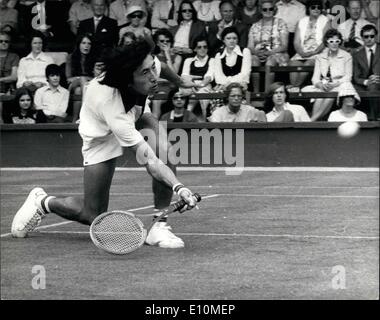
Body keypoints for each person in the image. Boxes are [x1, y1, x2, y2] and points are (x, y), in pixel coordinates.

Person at [11, 39, 199, 249]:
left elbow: (159, 65)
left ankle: (159, 226)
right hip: (100, 133)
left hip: (134, 112)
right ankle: (42, 202)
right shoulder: (110, 104)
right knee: (92, 214)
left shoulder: (142, 64)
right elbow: (151, 162)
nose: (154, 78)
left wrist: (180, 81)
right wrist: (179, 188)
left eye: (150, 69)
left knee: (165, 149)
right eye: (145, 73)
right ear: (129, 80)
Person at [302, 29, 354, 121]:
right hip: (324, 85)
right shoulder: (320, 57)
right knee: (320, 96)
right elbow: (315, 78)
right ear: (326, 42)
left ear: (340, 42)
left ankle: (311, 121)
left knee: (330, 95)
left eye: (337, 41)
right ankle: (313, 122)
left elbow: (348, 77)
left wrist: (334, 84)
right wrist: (320, 85)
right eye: (331, 41)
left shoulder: (347, 56)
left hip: (340, 85)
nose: (334, 43)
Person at [247, 0, 289, 92]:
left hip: (277, 53)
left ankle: (267, 93)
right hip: (259, 54)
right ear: (260, 10)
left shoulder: (281, 23)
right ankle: (256, 93)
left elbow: (284, 46)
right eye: (264, 9)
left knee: (270, 61)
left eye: (270, 9)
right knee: (253, 60)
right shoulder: (255, 26)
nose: (268, 11)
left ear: (274, 10)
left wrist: (270, 53)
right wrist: (257, 53)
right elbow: (250, 47)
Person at [288, 0, 330, 89]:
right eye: (313, 7)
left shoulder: (325, 21)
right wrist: (301, 53)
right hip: (302, 52)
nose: (316, 9)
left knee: (307, 64)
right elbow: (296, 42)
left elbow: (325, 41)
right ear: (309, 9)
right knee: (293, 64)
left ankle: (295, 86)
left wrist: (314, 52)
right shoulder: (301, 21)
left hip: (318, 53)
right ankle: (295, 88)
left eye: (319, 7)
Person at [181, 37, 215, 121]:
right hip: (190, 86)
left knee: (202, 94)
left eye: (205, 47)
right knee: (184, 94)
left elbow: (208, 77)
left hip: (205, 86)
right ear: (195, 49)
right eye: (199, 47)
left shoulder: (212, 60)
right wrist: (192, 85)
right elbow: (185, 76)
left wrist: (198, 85)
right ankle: (184, 121)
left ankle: (204, 122)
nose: (202, 49)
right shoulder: (188, 60)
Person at [151, 28, 182, 118]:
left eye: (167, 41)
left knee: (157, 99)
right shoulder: (152, 57)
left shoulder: (177, 57)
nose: (165, 43)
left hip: (170, 89)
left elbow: (173, 74)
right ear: (157, 43)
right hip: (154, 87)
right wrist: (165, 79)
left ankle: (155, 127)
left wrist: (167, 54)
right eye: (162, 41)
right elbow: (153, 76)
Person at [65, 33, 96, 123]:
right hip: (73, 84)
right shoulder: (71, 57)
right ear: (79, 44)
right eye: (83, 43)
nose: (86, 46)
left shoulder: (94, 58)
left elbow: (96, 78)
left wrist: (83, 79)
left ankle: (75, 119)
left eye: (89, 44)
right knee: (82, 81)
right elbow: (69, 78)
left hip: (90, 85)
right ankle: (85, 113)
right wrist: (83, 78)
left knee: (79, 90)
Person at [352, 24, 380, 120]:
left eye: (372, 36)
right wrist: (366, 82)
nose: (369, 39)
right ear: (362, 38)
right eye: (366, 36)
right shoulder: (357, 54)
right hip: (365, 84)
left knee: (374, 85)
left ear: (376, 36)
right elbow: (356, 77)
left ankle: (374, 118)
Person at [214, 26, 251, 92]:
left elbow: (245, 74)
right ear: (223, 40)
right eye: (228, 38)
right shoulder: (219, 55)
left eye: (234, 38)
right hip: (224, 88)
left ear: (238, 40)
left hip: (241, 88)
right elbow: (218, 77)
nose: (231, 41)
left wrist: (229, 83)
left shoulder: (245, 51)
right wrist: (227, 84)